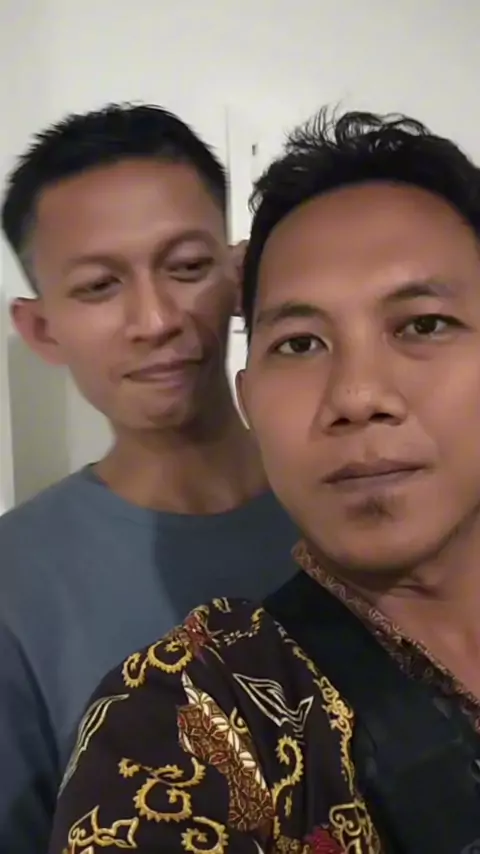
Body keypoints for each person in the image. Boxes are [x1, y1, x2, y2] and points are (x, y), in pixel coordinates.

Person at [49, 106, 480, 853]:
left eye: (423, 325)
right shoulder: (185, 720)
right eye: (300, 342)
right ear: (249, 401)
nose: (356, 396)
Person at [0, 104, 298, 853]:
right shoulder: (16, 581)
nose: (157, 318)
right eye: (100, 286)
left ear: (240, 276)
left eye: (187, 267)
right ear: (42, 329)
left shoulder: (362, 503)